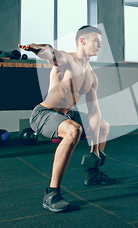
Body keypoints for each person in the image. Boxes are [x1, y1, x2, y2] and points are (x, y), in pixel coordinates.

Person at [19, 25, 117, 213]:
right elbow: (50, 52)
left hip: (65, 115)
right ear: (82, 40)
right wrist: (36, 48)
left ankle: (93, 173)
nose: (100, 45)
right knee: (74, 130)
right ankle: (52, 193)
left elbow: (94, 110)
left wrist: (94, 150)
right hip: (45, 113)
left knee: (103, 126)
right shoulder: (67, 59)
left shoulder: (91, 75)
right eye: (96, 41)